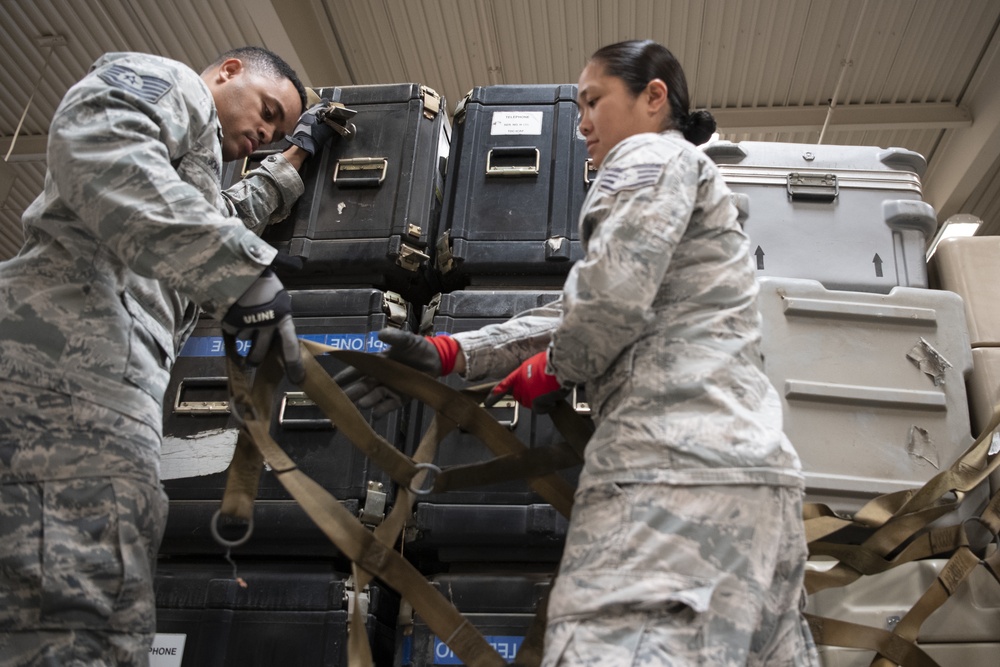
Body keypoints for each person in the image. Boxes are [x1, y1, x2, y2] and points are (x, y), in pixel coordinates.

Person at [341, 40, 819, 665]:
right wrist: (451, 353)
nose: (582, 122)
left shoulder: (645, 155)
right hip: (753, 481)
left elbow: (606, 304)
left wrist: (557, 367)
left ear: (654, 98)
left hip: (668, 478)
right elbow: (587, 308)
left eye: (593, 101)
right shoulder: (692, 187)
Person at [0, 46, 337, 665]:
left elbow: (221, 214)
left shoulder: (196, 163)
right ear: (229, 70)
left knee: (89, 612)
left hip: (95, 387)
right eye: (267, 112)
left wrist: (294, 159)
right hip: (59, 378)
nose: (265, 133)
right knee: (73, 617)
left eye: (278, 130)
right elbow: (101, 149)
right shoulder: (172, 81)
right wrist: (239, 274)